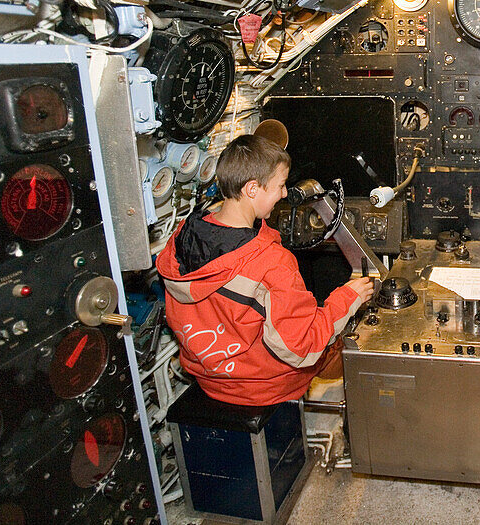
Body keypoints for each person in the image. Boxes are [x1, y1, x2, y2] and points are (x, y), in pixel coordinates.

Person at [156, 134, 374, 406]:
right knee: (341, 347)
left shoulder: (182, 236)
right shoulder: (272, 262)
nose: (284, 194)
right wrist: (347, 298)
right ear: (251, 189)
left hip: (210, 377)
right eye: (280, 186)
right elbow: (300, 347)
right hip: (262, 388)